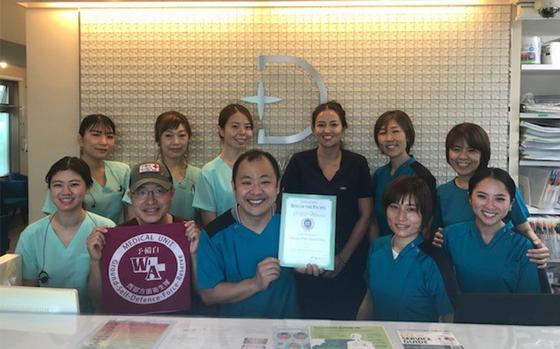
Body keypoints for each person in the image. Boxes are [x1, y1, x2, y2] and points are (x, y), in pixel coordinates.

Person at [280, 101, 372, 320]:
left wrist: (342, 258)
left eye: (334, 124)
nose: (327, 130)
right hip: (307, 264)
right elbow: (285, 212)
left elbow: (365, 214)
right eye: (321, 125)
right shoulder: (299, 162)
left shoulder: (357, 163)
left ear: (344, 128)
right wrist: (299, 259)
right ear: (313, 129)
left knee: (344, 325)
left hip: (349, 261)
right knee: (309, 323)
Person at [197, 149, 298, 318]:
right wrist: (255, 284)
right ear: (233, 187)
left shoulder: (294, 221)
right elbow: (208, 295)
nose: (256, 191)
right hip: (233, 334)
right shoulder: (214, 234)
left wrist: (313, 266)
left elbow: (317, 260)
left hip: (288, 334)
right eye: (246, 183)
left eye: (265, 182)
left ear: (278, 186)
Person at [87, 161, 199, 313]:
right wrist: (95, 261)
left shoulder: (190, 234)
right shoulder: (115, 239)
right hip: (130, 329)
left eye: (159, 191)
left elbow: (203, 296)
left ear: (172, 193)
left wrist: (195, 255)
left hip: (182, 326)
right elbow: (99, 303)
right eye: (141, 192)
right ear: (130, 197)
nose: (151, 201)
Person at [433, 123, 549, 266]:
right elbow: (437, 234)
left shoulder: (502, 185)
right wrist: (436, 238)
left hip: (500, 266)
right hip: (458, 269)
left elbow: (524, 228)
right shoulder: (442, 193)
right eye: (456, 149)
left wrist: (538, 246)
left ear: (483, 154)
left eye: (472, 150)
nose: (463, 156)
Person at [16, 157, 115, 313]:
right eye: (58, 185)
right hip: (47, 322)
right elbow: (29, 294)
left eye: (74, 184)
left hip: (94, 320)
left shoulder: (106, 229)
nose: (66, 192)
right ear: (50, 190)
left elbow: (108, 296)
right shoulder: (31, 235)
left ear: (88, 188)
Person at [356, 176, 456, 322]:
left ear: (425, 214)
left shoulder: (433, 259)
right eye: (394, 207)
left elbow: (448, 315)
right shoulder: (377, 247)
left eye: (411, 209)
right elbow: (369, 298)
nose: (401, 217)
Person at [442, 168, 541, 293]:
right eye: (482, 196)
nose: (490, 205)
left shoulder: (522, 247)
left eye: (499, 199)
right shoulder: (450, 236)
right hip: (457, 312)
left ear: (511, 204)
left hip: (509, 312)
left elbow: (529, 302)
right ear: (470, 198)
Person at [42, 114, 130, 224]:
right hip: (78, 236)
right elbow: (53, 215)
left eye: (110, 136)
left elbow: (131, 212)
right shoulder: (66, 172)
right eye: (95, 135)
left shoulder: (122, 171)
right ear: (80, 139)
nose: (104, 142)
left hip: (117, 236)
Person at [122, 111, 201, 222]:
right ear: (158, 139)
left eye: (182, 135)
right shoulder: (144, 174)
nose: (176, 142)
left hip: (187, 237)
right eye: (168, 136)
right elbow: (132, 222)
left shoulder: (199, 175)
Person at [370, 110, 436, 239]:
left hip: (411, 252)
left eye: (395, 131)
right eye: (383, 133)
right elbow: (373, 218)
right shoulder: (378, 175)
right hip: (383, 249)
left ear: (408, 136)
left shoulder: (421, 175)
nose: (389, 138)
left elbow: (428, 222)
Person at [193, 104, 254, 226]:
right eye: (235, 126)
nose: (242, 132)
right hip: (224, 241)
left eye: (247, 127)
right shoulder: (209, 172)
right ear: (221, 130)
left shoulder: (256, 168)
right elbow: (210, 225)